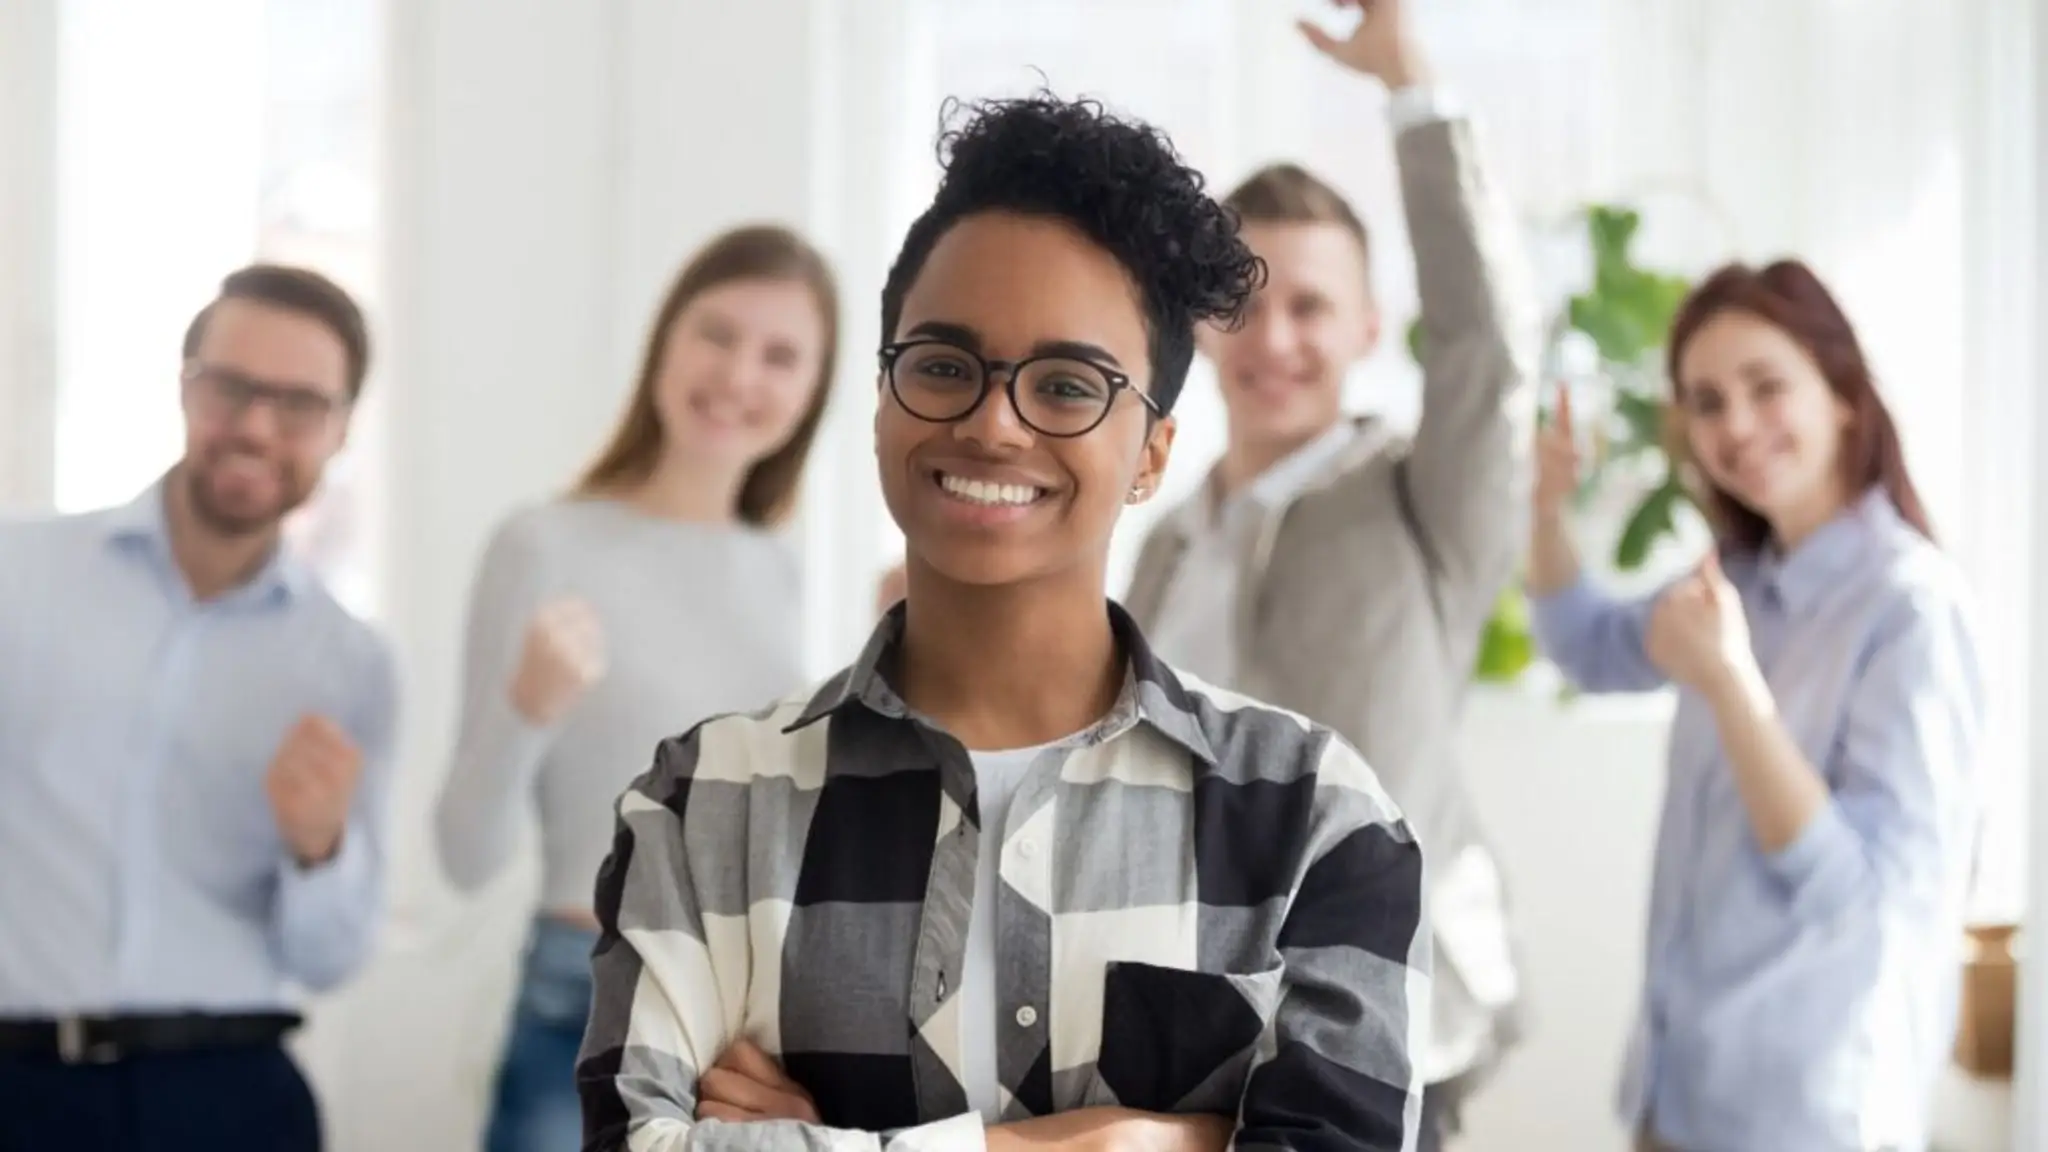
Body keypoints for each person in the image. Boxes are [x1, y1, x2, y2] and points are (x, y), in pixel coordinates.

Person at [578, 92, 1433, 1152]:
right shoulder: (702, 803)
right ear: (883, 399)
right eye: (941, 366)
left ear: (1151, 453)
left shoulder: (1315, 821)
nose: (991, 423)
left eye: (1067, 385)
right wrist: (1129, 1142)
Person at [1119, 3, 1536, 1142]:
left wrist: (1407, 83)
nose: (1274, 338)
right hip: (1185, 1037)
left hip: (1380, 1036)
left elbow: (1486, 346)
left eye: (1309, 306)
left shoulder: (1422, 501)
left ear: (1365, 328)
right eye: (1242, 305)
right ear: (1202, 326)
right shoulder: (1162, 537)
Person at [1528, 260, 1982, 1152]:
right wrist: (1547, 510)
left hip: (1804, 1122)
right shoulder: (1735, 580)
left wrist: (1733, 685)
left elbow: (1864, 903)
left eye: (1766, 387)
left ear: (1844, 393)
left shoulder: (1912, 609)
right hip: (1676, 1098)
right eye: (1706, 401)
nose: (1735, 426)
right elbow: (1586, 647)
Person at [431, 225, 838, 1152]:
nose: (740, 376)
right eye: (718, 334)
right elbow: (463, 855)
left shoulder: (778, 569)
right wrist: (526, 710)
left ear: (811, 392)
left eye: (779, 356)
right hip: (585, 995)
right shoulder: (543, 545)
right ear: (666, 339)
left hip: (746, 1032)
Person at [0, 264, 399, 1151]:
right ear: (186, 386)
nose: (257, 427)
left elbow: (332, 959)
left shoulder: (351, 666)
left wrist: (318, 847)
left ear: (339, 431)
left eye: (299, 404)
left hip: (230, 1101)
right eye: (232, 388)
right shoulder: (17, 579)